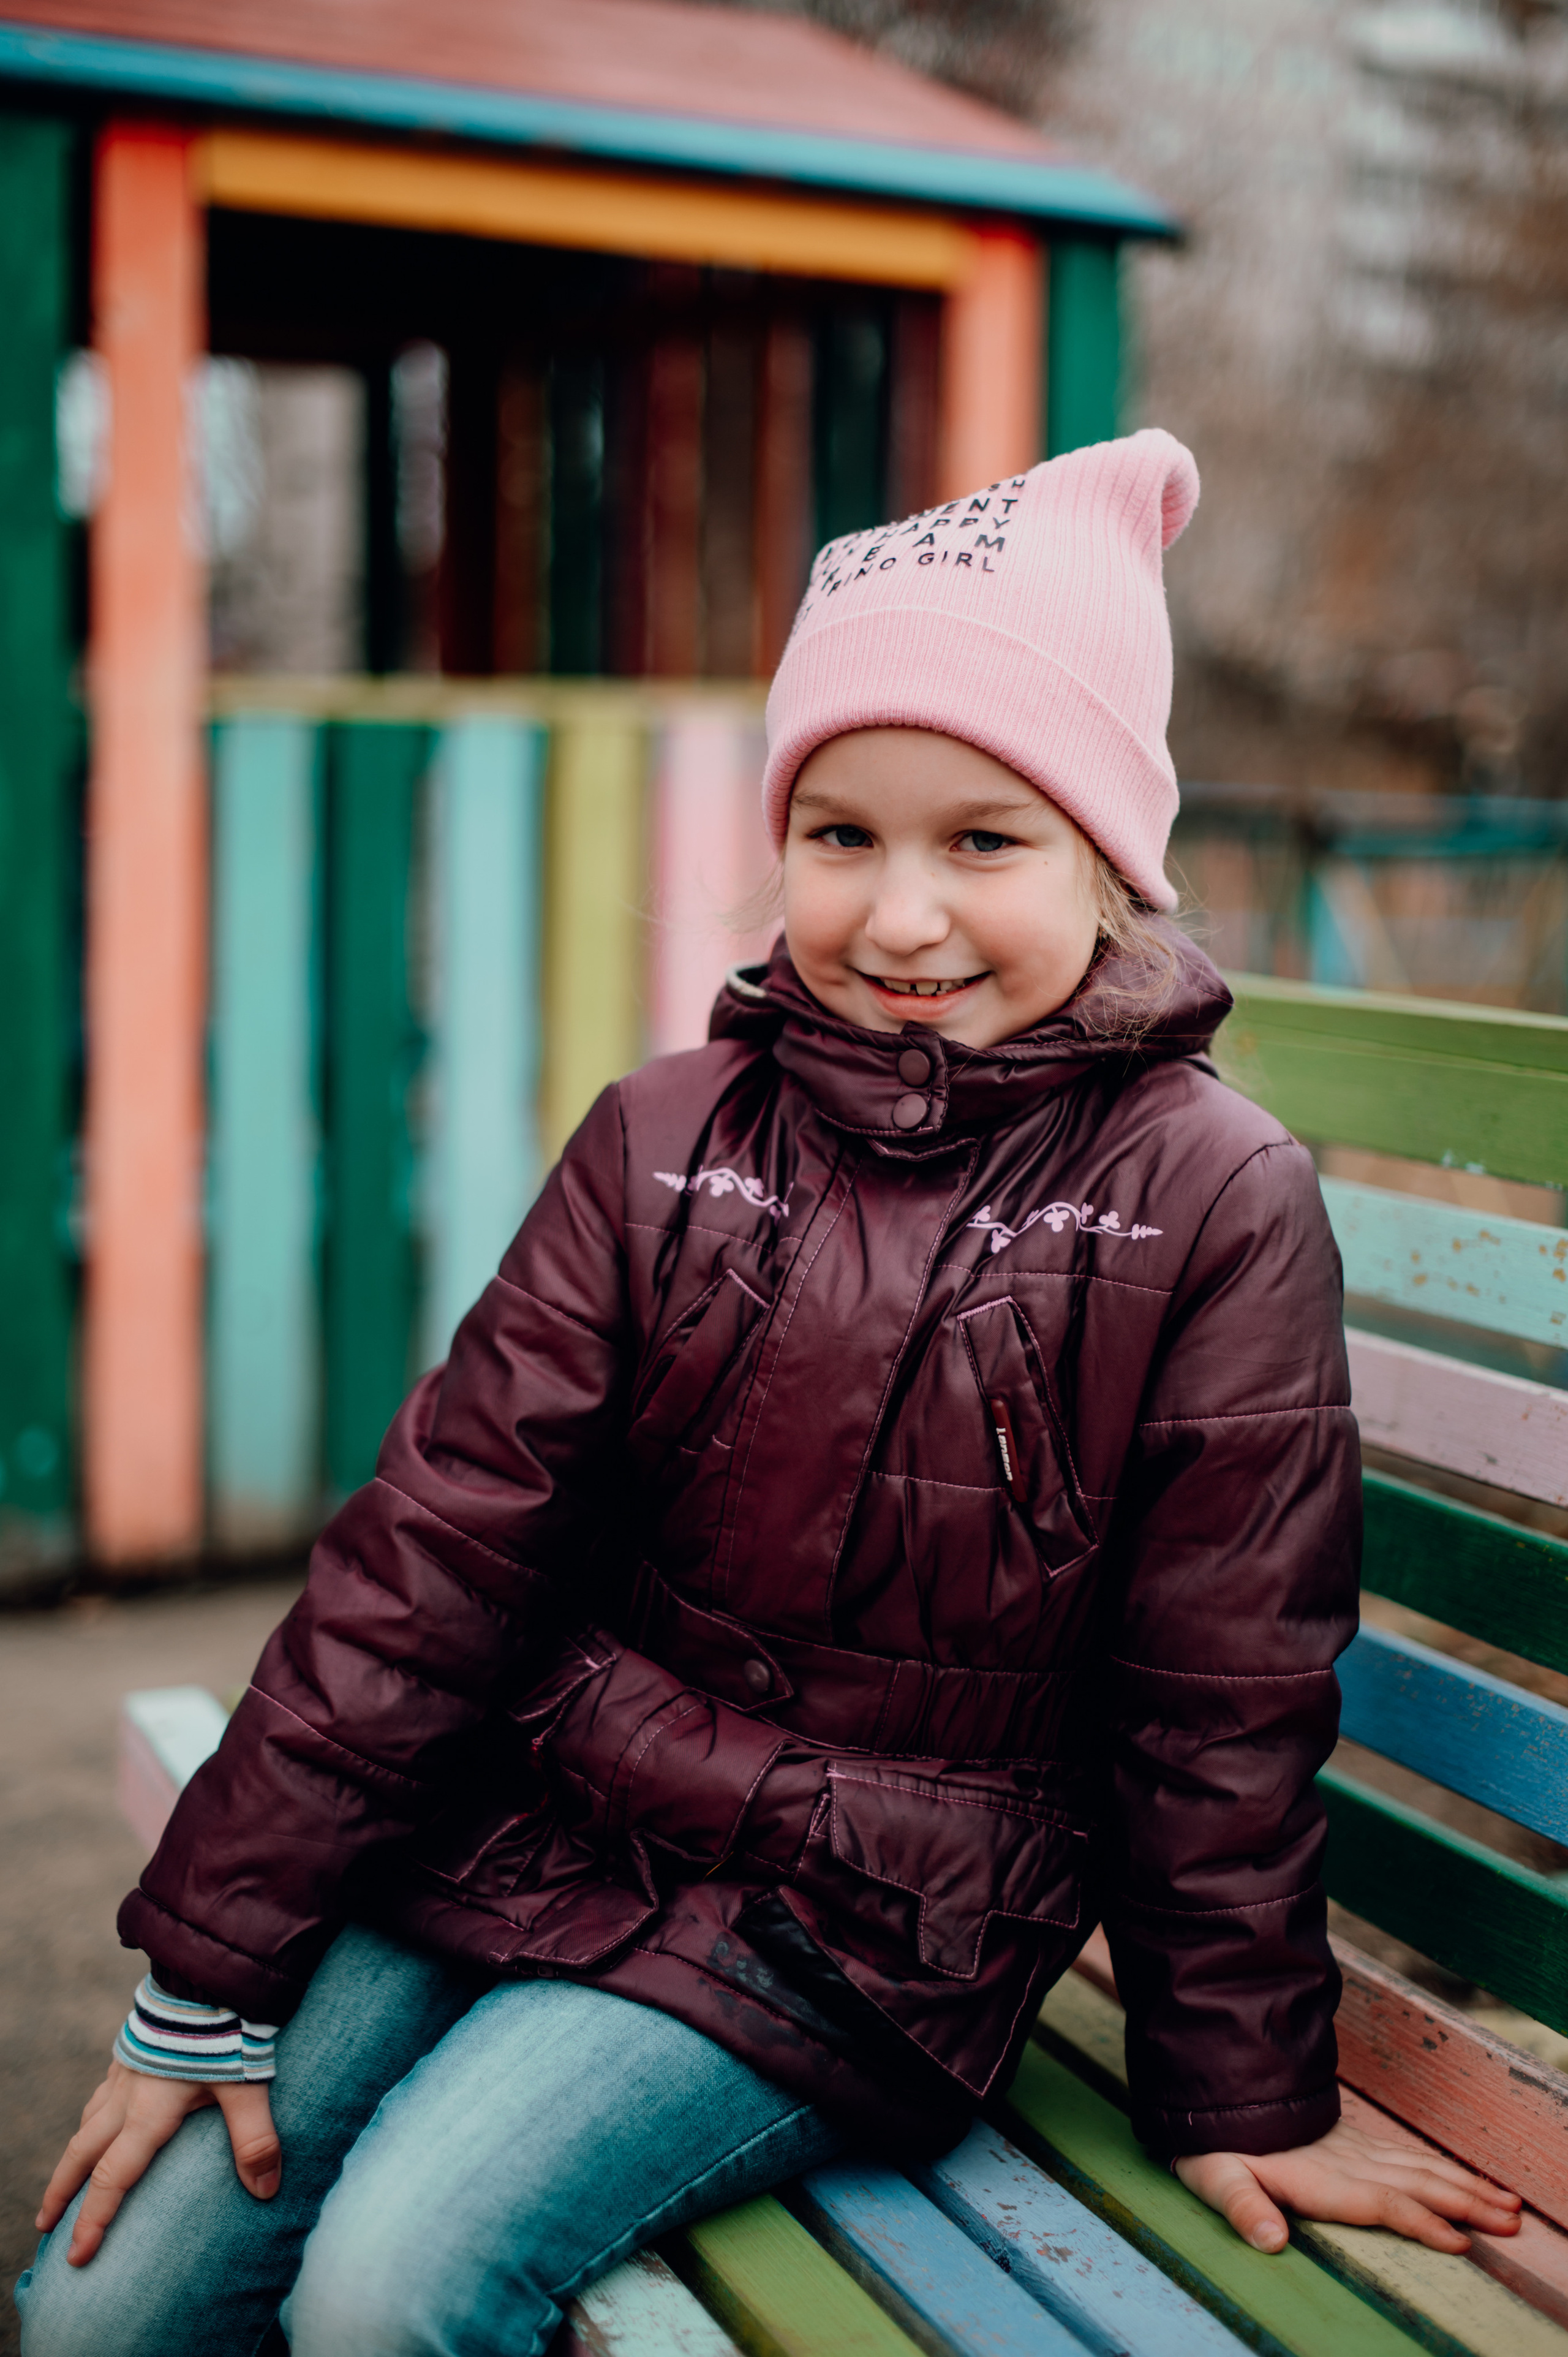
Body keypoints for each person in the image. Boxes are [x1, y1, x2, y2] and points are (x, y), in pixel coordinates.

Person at [19, 429, 1519, 2357]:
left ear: (1108, 857)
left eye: (985, 841)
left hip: (866, 1926)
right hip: (522, 1810)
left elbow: (1219, 1693)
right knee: (99, 2295)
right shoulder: (664, 1135)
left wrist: (1246, 2094)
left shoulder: (1208, 1193)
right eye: (843, 836)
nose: (901, 920)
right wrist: (210, 1961)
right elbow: (434, 1554)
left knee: (397, 2282)